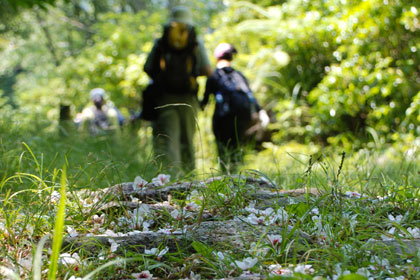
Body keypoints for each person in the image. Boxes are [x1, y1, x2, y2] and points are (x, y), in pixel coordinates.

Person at [143, 6, 212, 175]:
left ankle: (171, 179)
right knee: (188, 140)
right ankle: (191, 180)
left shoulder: (161, 42)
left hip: (165, 99)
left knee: (169, 140)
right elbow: (208, 70)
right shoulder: (196, 42)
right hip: (188, 100)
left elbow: (147, 67)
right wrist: (192, 73)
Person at [200, 43, 269, 172]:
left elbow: (203, 103)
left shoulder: (213, 76)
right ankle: (236, 178)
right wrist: (261, 111)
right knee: (236, 148)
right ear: (231, 58)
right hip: (242, 118)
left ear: (217, 58)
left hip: (222, 119)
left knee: (223, 150)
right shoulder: (239, 75)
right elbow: (251, 96)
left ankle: (225, 177)